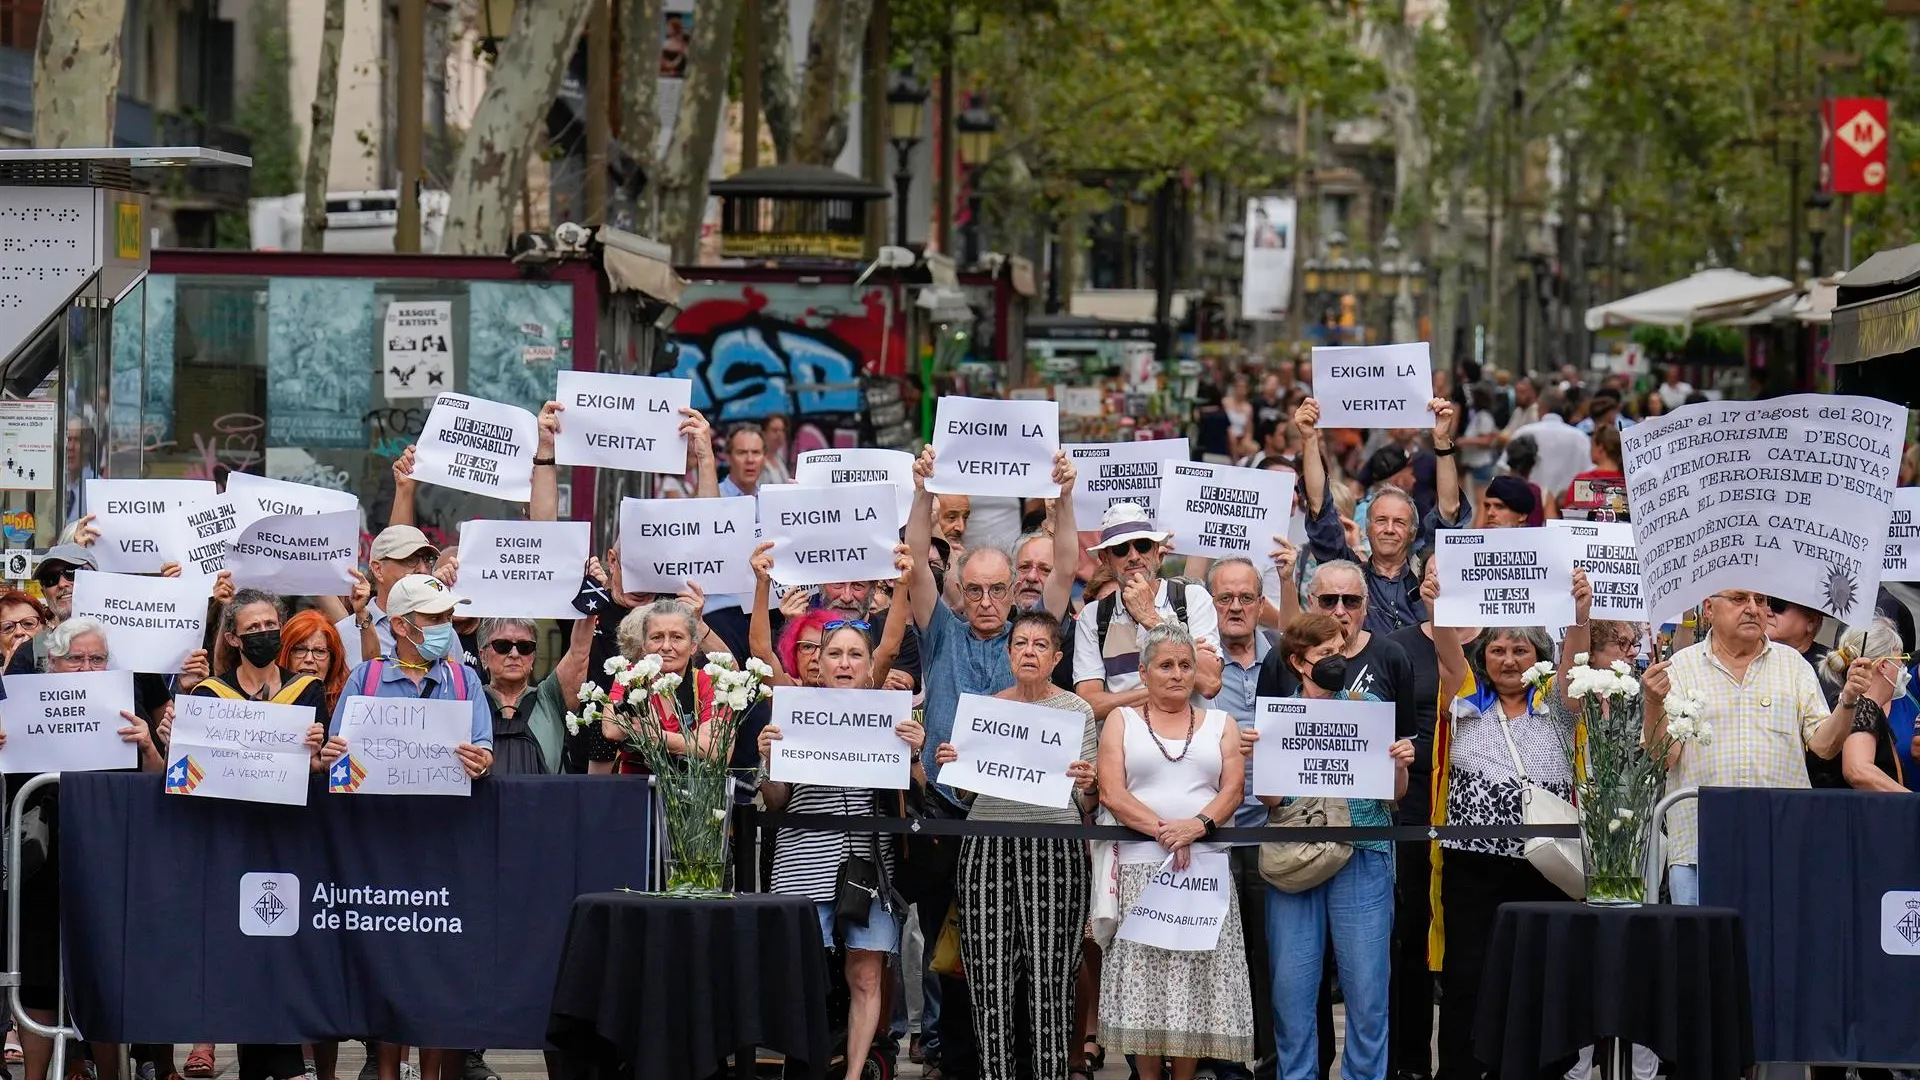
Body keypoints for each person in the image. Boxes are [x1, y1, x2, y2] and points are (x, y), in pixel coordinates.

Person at [319, 574, 494, 1080]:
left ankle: (435, 1072)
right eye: (434, 619)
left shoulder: (463, 680)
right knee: (391, 962)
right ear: (400, 624)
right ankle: (389, 1071)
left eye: (446, 618)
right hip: (380, 846)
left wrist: (480, 761)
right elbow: (338, 756)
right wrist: (335, 756)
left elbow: (484, 748)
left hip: (444, 845)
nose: (445, 628)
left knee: (439, 963)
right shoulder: (365, 679)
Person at [1426, 568, 1591, 1080]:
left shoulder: (1559, 711)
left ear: (1538, 657)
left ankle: (1541, 1069)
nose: (1509, 660)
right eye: (1498, 650)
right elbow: (1447, 652)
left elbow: (1576, 668)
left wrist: (1580, 616)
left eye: (1521, 651)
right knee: (1468, 972)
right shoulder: (1465, 701)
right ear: (1484, 658)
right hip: (1472, 862)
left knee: (1543, 972)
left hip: (1545, 861)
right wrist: (1438, 605)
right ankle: (1460, 1069)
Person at [931, 609, 1099, 1080]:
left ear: (1056, 657)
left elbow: (1087, 798)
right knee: (989, 974)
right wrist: (953, 765)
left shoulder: (1076, 710)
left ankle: (1049, 1072)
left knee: (1052, 975)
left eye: (1040, 645)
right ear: (1008, 654)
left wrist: (1090, 782)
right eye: (1020, 643)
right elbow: (964, 794)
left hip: (1055, 846)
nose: (1028, 651)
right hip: (987, 847)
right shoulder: (986, 709)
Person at [756, 622, 927, 1080]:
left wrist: (914, 754)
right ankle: (806, 1069)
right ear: (818, 662)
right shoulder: (792, 714)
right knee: (802, 980)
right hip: (802, 863)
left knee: (867, 975)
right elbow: (774, 799)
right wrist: (771, 759)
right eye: (835, 654)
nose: (845, 663)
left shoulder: (894, 719)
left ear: (871, 666)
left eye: (855, 655)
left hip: (870, 870)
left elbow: (922, 796)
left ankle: (853, 1074)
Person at [1255, 613, 1415, 1080]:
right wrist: (1259, 756)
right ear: (1298, 661)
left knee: (1367, 991)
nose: (1335, 661)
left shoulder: (1369, 707)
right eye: (1324, 654)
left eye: (1340, 651)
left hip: (1364, 855)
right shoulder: (1278, 718)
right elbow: (1271, 799)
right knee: (1291, 991)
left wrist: (1400, 765)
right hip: (1296, 860)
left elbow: (1394, 793)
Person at [1096, 621, 1253, 1077]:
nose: (1177, 674)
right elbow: (1112, 791)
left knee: (1194, 985)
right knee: (1145, 985)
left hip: (1203, 874)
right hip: (1142, 870)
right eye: (1165, 665)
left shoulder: (1221, 723)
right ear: (1143, 672)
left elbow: (1233, 789)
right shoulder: (1120, 721)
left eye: (1185, 665)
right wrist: (1168, 831)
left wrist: (1197, 827)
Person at [1644, 589, 1866, 907]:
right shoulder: (1680, 668)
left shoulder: (1794, 666)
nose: (1753, 609)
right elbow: (1664, 756)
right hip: (1700, 849)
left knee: (1780, 951)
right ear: (1708, 608)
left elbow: (1824, 746)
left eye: (1760, 601)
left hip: (1782, 847)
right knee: (1700, 954)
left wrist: (1847, 701)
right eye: (1739, 599)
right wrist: (1653, 702)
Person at [188, 593, 331, 1080]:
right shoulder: (209, 696)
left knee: (281, 947)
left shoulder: (306, 691)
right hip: (231, 839)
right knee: (242, 950)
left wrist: (318, 757)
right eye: (254, 627)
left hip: (286, 839)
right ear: (233, 637)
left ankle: (286, 1062)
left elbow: (315, 768)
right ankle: (262, 1064)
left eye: (272, 623)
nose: (266, 633)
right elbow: (196, 772)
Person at [1294, 399, 1467, 636]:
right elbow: (1318, 506)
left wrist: (1441, 440)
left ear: (1412, 532)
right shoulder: (1350, 575)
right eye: (1381, 520)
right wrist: (1310, 438)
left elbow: (1449, 510)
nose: (1389, 529)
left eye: (1399, 522)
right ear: (1367, 528)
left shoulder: (1426, 578)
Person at [1073, 502, 1222, 721]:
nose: (1133, 556)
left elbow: (1209, 683)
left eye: (1142, 545)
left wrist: (1152, 620)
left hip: (1189, 744)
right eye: (1121, 549)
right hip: (1125, 748)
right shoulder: (1093, 616)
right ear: (1105, 560)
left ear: (1155, 551)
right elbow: (1090, 706)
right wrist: (1167, 688)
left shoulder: (1192, 598)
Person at [478, 616, 591, 774]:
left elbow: (579, 653)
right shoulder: (470, 699)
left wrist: (590, 612)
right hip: (484, 799)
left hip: (546, 798)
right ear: (483, 655)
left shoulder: (551, 697)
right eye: (502, 645)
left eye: (525, 647)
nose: (514, 654)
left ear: (533, 657)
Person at [1818, 623, 1912, 792]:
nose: (1903, 669)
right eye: (1901, 660)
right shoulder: (1860, 706)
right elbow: (1857, 770)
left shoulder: (1847, 704)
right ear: (1883, 665)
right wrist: (1910, 801)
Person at [1505, 389, 1591, 508]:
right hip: (1567, 511)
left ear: (1542, 407)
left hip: (1526, 508)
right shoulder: (1580, 438)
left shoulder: (1523, 433)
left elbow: (1506, 470)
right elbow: (1588, 476)